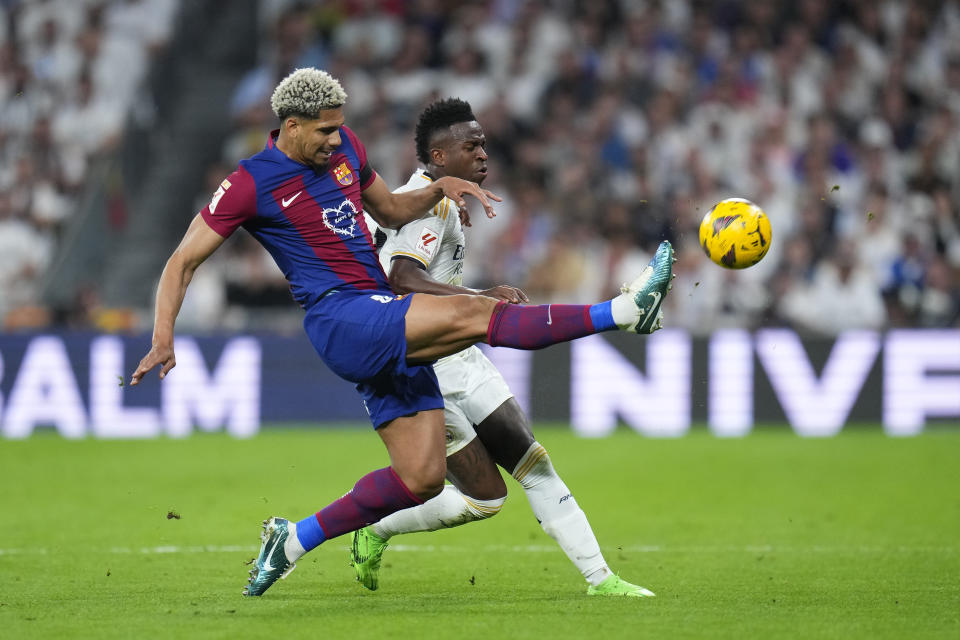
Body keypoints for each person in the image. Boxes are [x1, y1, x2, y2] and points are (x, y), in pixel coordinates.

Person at [129, 68, 675, 598]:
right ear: (290, 125)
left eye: (339, 127)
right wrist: (163, 336)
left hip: (380, 313)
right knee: (474, 315)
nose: (335, 138)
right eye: (323, 129)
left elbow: (390, 210)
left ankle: (292, 540)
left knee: (422, 478)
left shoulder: (346, 149)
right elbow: (181, 261)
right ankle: (623, 312)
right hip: (342, 316)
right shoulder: (249, 182)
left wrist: (440, 188)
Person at [354, 98, 655, 598]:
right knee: (484, 499)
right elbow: (402, 278)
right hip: (426, 365)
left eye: (484, 144)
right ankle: (375, 528)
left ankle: (602, 581)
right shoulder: (420, 200)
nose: (482, 154)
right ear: (439, 156)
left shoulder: (440, 200)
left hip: (462, 354)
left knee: (534, 463)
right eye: (470, 145)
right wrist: (480, 297)